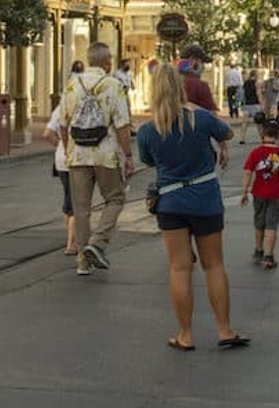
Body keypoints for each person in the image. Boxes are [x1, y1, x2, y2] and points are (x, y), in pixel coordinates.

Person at [136, 64, 248, 350]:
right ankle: (224, 330)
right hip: (205, 200)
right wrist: (195, 108)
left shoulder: (148, 130)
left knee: (179, 269)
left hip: (170, 202)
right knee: (214, 266)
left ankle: (185, 334)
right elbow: (228, 134)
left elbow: (149, 161)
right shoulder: (200, 119)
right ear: (180, 87)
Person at [58, 42, 134, 276]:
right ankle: (98, 242)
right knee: (115, 198)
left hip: (78, 154)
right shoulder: (114, 86)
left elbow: (63, 123)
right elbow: (122, 126)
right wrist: (128, 155)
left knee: (81, 209)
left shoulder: (71, 85)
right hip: (105, 154)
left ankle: (82, 261)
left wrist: (68, 147)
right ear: (107, 62)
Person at [239, 119, 279, 270]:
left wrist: (244, 192)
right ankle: (269, 257)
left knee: (259, 222)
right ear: (277, 135)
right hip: (275, 194)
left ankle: (259, 250)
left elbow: (248, 173)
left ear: (262, 134)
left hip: (258, 193)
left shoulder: (256, 153)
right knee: (271, 225)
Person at [45, 61, 84, 256]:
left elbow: (47, 133)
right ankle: (71, 244)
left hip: (60, 160)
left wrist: (60, 146)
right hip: (76, 160)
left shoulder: (59, 108)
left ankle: (72, 238)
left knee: (69, 199)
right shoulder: (80, 107)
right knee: (76, 202)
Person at [238, 69, 263, 144]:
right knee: (258, 122)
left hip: (246, 104)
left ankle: (242, 138)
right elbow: (258, 94)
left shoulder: (245, 83)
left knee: (244, 122)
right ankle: (262, 138)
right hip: (255, 104)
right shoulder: (256, 83)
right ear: (256, 75)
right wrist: (262, 104)